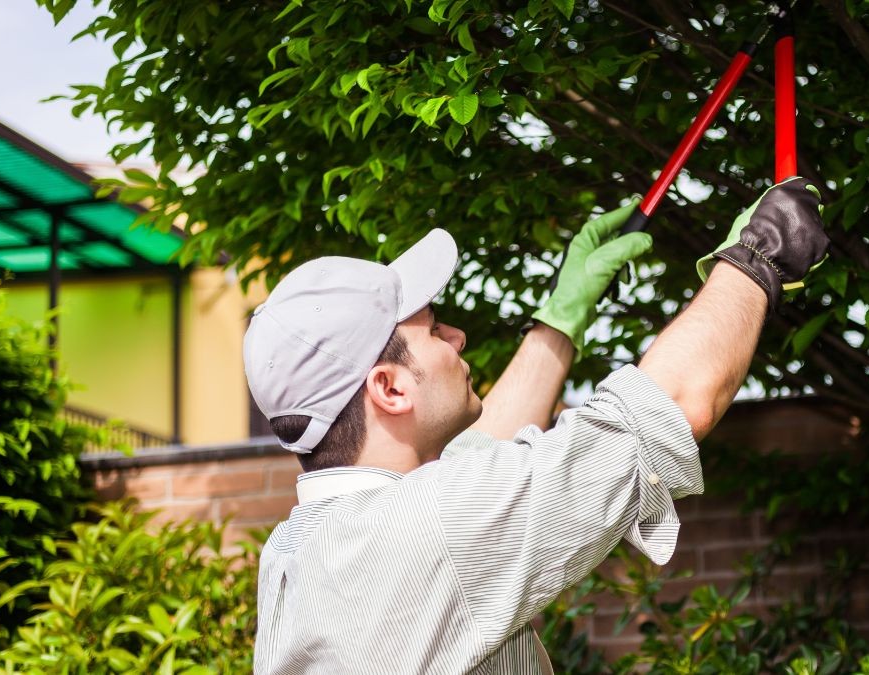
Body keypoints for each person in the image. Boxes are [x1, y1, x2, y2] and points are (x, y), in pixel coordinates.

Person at [244, 177, 829, 673]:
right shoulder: (432, 526)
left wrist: (562, 314)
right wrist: (756, 258)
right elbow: (665, 410)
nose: (457, 338)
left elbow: (476, 466)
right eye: (435, 329)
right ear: (390, 388)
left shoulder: (300, 547)